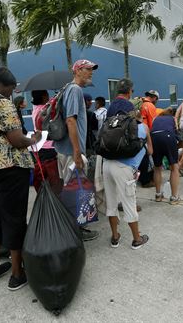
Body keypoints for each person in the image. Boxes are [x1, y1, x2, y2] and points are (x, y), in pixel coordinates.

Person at [0, 67, 41, 291]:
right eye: (12, 88)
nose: (12, 92)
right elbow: (15, 139)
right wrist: (32, 139)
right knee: (14, 218)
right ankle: (17, 273)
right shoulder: (3, 103)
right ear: (5, 85)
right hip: (10, 168)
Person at [54, 59, 100, 241]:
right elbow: (70, 120)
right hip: (71, 151)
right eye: (88, 69)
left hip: (67, 150)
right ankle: (75, 231)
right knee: (75, 189)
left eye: (91, 70)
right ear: (78, 70)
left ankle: (75, 228)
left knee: (72, 188)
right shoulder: (74, 90)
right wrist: (77, 151)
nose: (91, 73)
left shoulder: (68, 89)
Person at [103, 109, 151, 250]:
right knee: (129, 203)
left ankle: (115, 237)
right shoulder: (143, 127)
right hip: (124, 169)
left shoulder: (115, 125)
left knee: (111, 203)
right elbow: (151, 151)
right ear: (139, 117)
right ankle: (137, 239)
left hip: (107, 165)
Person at [151, 108, 183, 205]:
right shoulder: (173, 119)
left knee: (157, 168)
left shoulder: (155, 118)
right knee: (174, 167)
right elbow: (178, 136)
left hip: (154, 137)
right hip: (167, 136)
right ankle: (174, 197)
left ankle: (158, 195)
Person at [31, 90, 61, 195]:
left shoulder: (35, 109)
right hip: (49, 147)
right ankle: (54, 200)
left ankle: (47, 196)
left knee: (45, 177)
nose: (48, 97)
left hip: (39, 148)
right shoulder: (43, 111)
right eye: (47, 95)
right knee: (53, 178)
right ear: (43, 97)